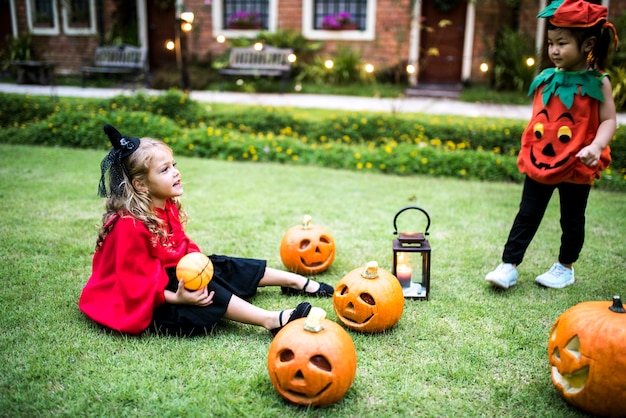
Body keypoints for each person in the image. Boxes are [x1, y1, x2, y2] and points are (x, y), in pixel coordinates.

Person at [78, 124, 334, 336]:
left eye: (174, 164)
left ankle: (294, 281)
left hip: (168, 275)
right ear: (141, 184)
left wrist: (201, 263)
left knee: (218, 265)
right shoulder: (130, 226)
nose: (176, 173)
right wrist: (178, 298)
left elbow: (182, 246)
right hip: (143, 299)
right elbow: (135, 284)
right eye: (165, 170)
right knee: (207, 290)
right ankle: (270, 320)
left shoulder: (165, 205)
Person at [485, 0, 618, 290]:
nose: (554, 50)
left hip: (577, 162)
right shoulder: (546, 80)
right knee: (527, 213)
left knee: (571, 219)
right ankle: (509, 265)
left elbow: (609, 121)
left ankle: (565, 266)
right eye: (550, 43)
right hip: (542, 161)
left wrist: (596, 147)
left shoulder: (599, 82)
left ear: (588, 44)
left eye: (562, 43)